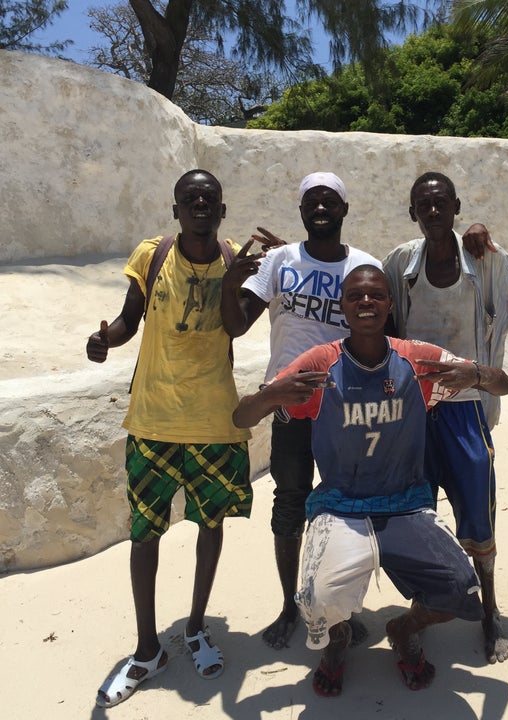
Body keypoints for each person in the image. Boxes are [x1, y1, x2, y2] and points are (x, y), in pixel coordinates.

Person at [232, 265, 508, 696]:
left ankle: (403, 629)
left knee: (461, 589)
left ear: (388, 305)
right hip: (340, 506)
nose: (366, 302)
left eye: (376, 295)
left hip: (405, 505)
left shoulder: (415, 359)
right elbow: (242, 418)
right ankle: (339, 638)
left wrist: (475, 374)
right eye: (356, 296)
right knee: (313, 599)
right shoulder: (322, 363)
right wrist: (271, 395)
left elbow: (503, 384)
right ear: (343, 306)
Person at [87, 169, 264, 708]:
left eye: (209, 197)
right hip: (152, 421)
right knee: (145, 534)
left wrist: (240, 283)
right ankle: (146, 650)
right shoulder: (153, 254)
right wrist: (104, 340)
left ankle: (194, 628)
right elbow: (128, 321)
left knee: (209, 527)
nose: (200, 204)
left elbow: (239, 327)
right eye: (191, 198)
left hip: (214, 422)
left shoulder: (238, 260)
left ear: (222, 210)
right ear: (177, 210)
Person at [382, 172, 508, 663]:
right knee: (417, 515)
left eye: (441, 202)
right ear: (413, 212)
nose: (432, 211)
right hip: (414, 414)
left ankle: (491, 611)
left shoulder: (484, 260)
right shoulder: (399, 263)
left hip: (466, 413)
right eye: (422, 204)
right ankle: (424, 604)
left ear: (455, 206)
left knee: (479, 514)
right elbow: (382, 323)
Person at [221, 172, 380, 650]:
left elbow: (380, 333)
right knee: (290, 503)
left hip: (346, 405)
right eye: (312, 200)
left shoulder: (364, 266)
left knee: (348, 506)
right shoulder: (280, 261)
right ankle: (291, 605)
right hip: (289, 403)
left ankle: (344, 607)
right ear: (302, 210)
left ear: (344, 210)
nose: (321, 207)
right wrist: (232, 286)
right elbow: (236, 325)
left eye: (330, 200)